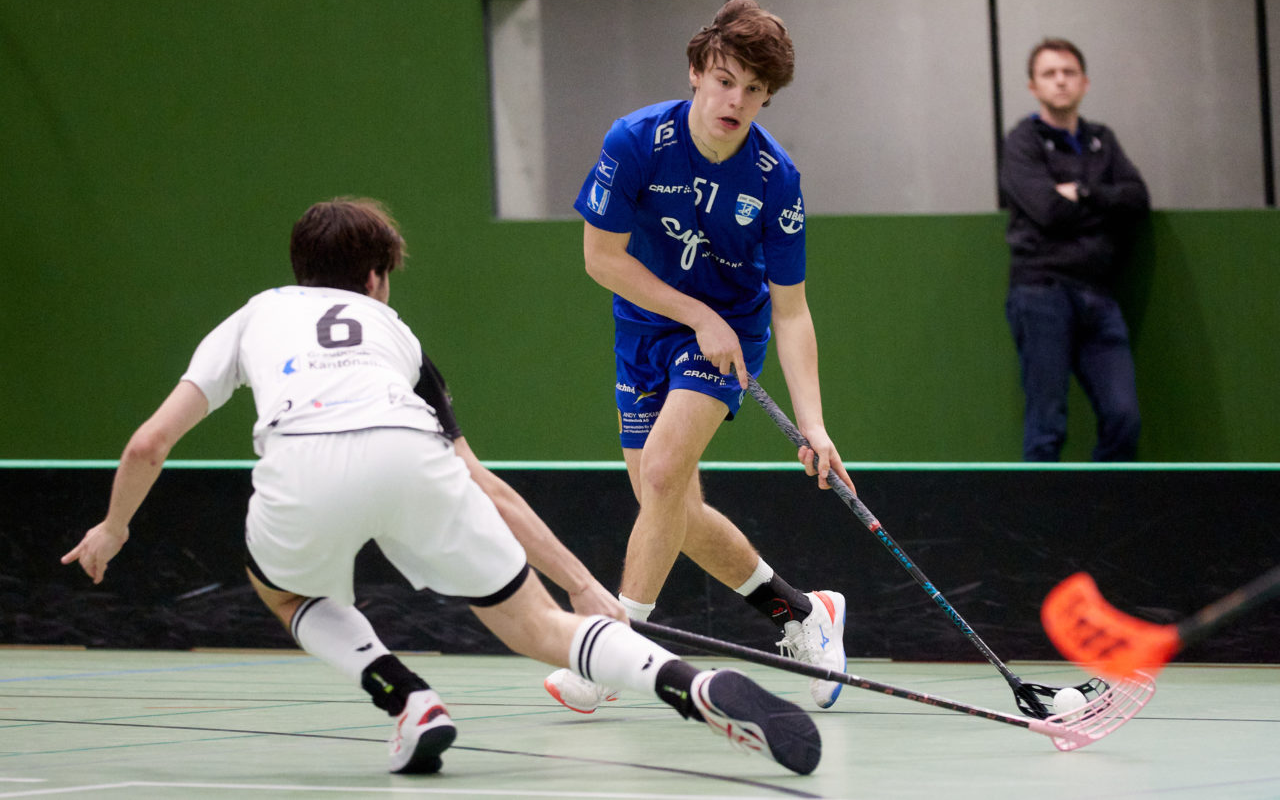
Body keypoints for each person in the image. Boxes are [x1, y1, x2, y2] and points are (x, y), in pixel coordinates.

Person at [60, 197, 822, 777]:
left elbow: (149, 443)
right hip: (411, 453)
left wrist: (114, 526)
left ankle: (407, 698)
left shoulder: (256, 314)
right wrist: (583, 585)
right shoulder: (397, 336)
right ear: (375, 278)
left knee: (286, 592)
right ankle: (688, 682)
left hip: (301, 464)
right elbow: (485, 484)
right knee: (536, 623)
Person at [544, 0, 852, 715]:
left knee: (660, 473)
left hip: (729, 336)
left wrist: (814, 424)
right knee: (671, 505)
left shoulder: (775, 179)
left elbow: (792, 310)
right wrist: (694, 314)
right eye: (724, 80)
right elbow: (600, 258)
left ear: (768, 98)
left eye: (754, 90)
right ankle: (805, 613)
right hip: (648, 329)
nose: (735, 101)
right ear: (695, 72)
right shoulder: (635, 142)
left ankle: (614, 652)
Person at [999, 38, 1150, 462]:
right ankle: (1040, 507)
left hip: (1099, 295)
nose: (1060, 81)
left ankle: (1105, 506)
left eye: (1068, 72)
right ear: (1033, 87)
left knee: (1124, 419)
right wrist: (1102, 207)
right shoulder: (1023, 141)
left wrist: (1081, 192)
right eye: (1049, 74)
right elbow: (1048, 211)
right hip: (1041, 294)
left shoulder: (1103, 140)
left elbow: (1136, 200)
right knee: (1047, 427)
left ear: (1085, 82)